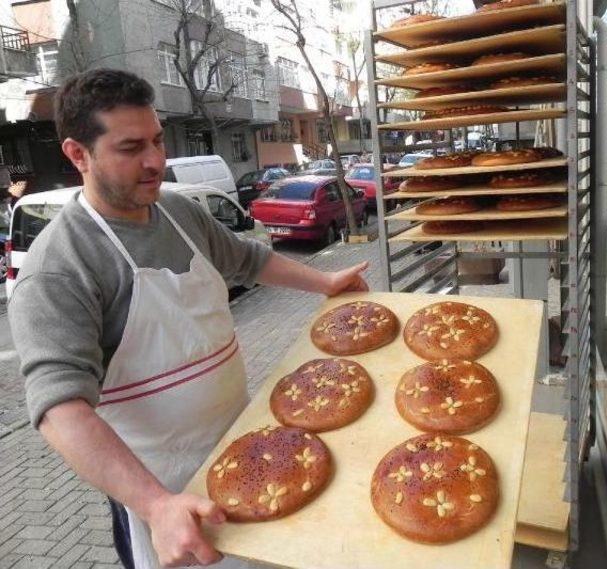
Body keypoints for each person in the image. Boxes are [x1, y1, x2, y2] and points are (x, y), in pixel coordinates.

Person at [8, 68, 368, 569]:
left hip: (249, 450)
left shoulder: (179, 212)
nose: (156, 161)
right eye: (131, 148)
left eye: (157, 140)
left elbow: (250, 259)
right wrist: (156, 505)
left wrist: (325, 283)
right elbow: (59, 407)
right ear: (77, 154)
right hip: (163, 492)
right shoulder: (59, 267)